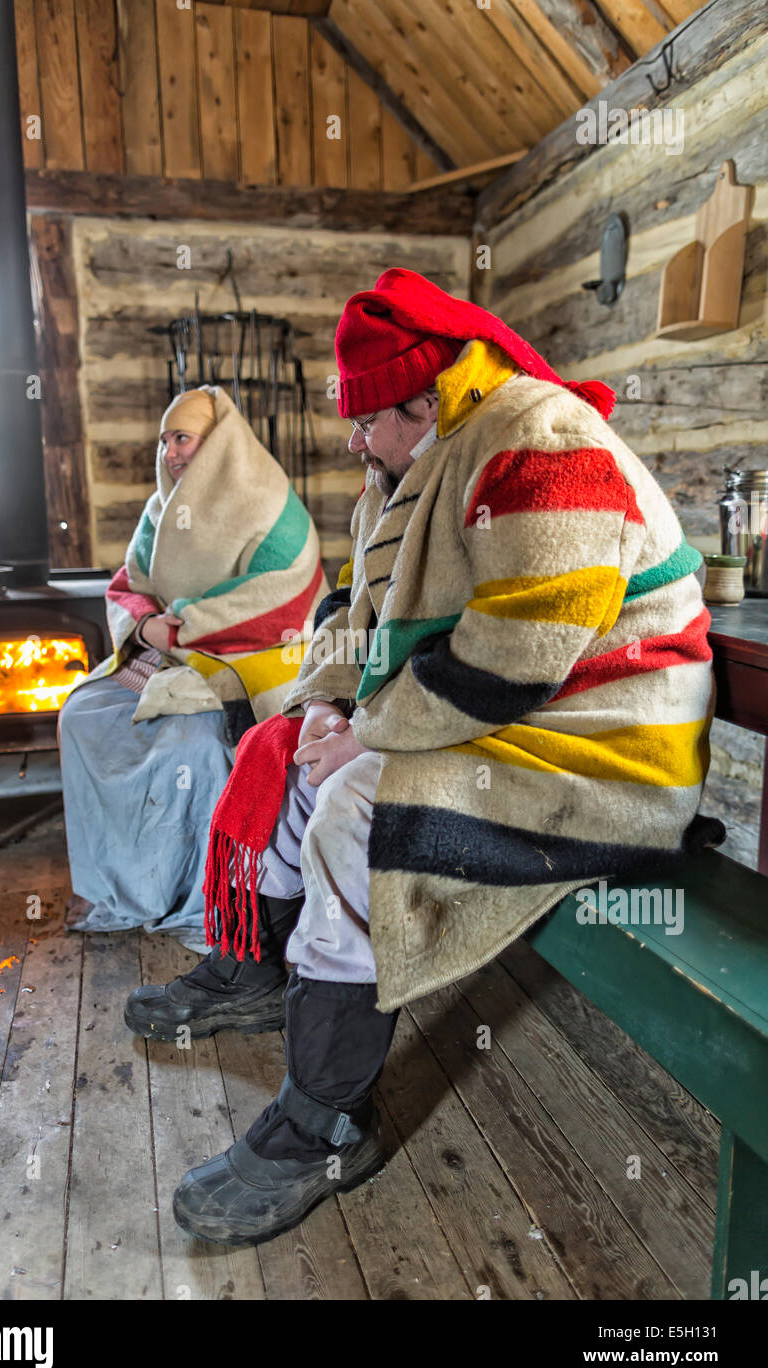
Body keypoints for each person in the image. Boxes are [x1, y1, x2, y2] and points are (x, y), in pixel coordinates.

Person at [125, 269, 723, 1245]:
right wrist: (322, 708)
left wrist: (362, 734)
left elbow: (515, 652)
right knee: (283, 753)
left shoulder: (537, 437)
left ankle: (327, 1118)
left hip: (605, 744)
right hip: (515, 717)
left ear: (423, 398)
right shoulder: (400, 476)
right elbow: (346, 622)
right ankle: (260, 970)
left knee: (356, 809)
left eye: (367, 420)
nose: (352, 439)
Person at [59, 385, 327, 951]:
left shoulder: (269, 503)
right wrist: (146, 627)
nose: (171, 453)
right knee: (83, 713)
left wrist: (176, 625)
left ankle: (200, 893)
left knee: (191, 744)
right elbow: (128, 586)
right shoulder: (160, 512)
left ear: (219, 444)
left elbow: (281, 595)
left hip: (251, 660)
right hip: (171, 655)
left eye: (182, 438)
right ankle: (115, 884)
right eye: (164, 441)